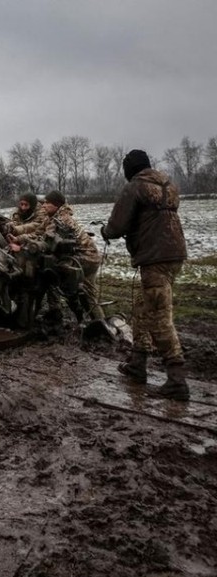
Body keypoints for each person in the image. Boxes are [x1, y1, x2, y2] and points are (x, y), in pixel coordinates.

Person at [101, 149, 188, 400]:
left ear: (130, 169)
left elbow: (117, 225)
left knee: (159, 316)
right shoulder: (168, 184)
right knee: (143, 308)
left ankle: (177, 379)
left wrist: (106, 232)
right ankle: (138, 363)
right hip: (175, 254)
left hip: (155, 257)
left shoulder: (135, 187)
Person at [9, 190, 105, 323]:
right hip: (78, 256)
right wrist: (18, 238)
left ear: (56, 205)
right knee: (67, 284)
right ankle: (83, 319)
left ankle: (98, 324)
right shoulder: (51, 218)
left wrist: (21, 248)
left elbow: (45, 244)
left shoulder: (61, 221)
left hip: (86, 258)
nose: (43, 205)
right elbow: (38, 234)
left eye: (47, 203)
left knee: (73, 286)